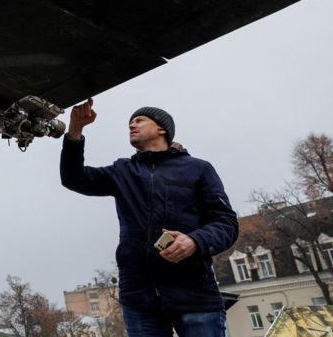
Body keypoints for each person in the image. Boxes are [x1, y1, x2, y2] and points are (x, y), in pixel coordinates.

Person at [60, 98, 238, 337]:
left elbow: (226, 223)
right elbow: (74, 178)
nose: (132, 125)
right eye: (130, 123)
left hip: (194, 295)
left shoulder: (198, 169)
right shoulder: (123, 171)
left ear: (162, 128)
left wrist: (195, 241)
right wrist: (75, 130)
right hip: (139, 299)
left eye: (139, 120)